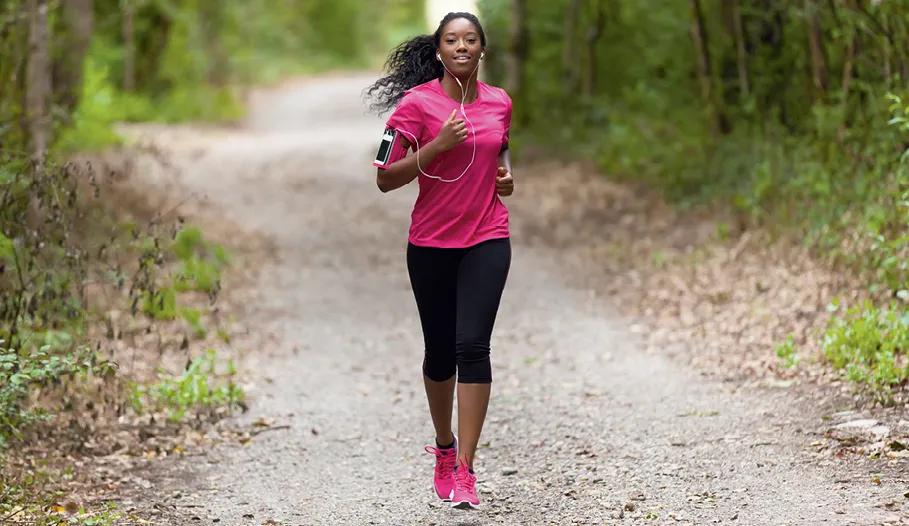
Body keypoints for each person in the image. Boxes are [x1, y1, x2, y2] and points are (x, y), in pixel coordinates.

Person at [363, 11, 514, 511]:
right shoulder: (415, 105)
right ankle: (444, 447)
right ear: (439, 52)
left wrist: (504, 174)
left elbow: (498, 146)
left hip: (488, 237)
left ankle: (467, 470)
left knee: (473, 346)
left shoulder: (499, 102)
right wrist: (436, 147)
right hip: (430, 243)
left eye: (471, 40)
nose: (462, 47)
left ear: (482, 50)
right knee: (439, 354)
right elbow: (385, 178)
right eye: (452, 40)